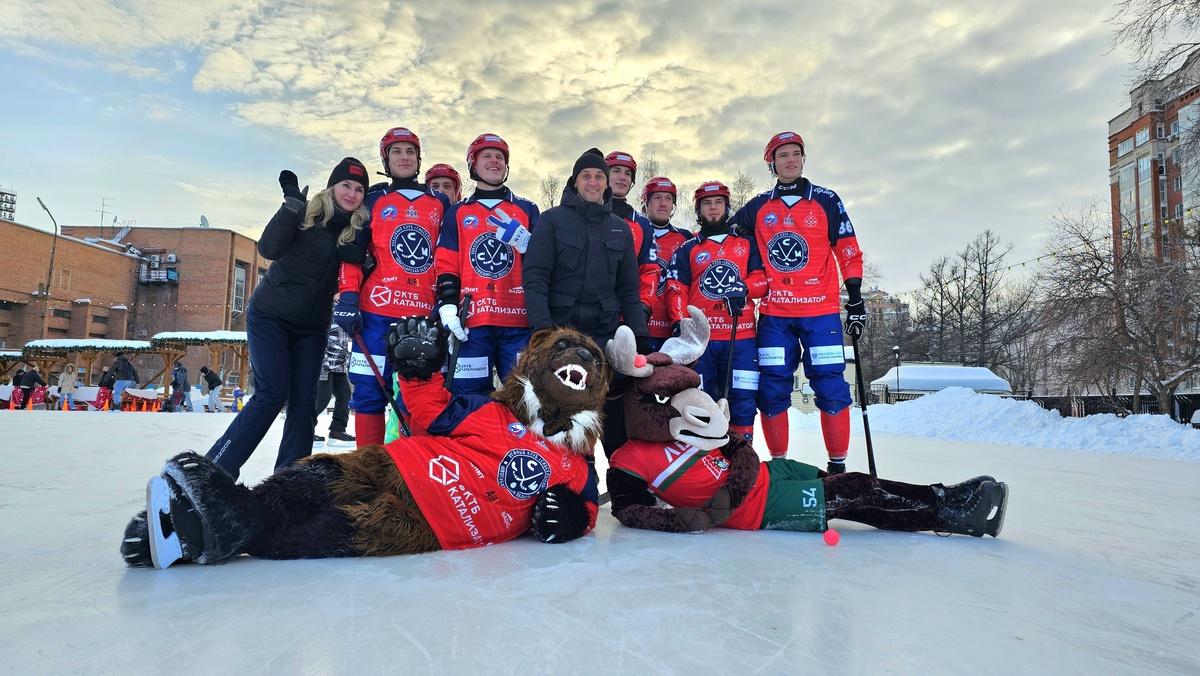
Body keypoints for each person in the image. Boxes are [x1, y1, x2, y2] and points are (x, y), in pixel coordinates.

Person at [205, 157, 371, 481]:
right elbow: (269, 248)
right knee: (272, 393)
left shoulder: (355, 233)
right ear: (332, 187)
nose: (351, 193)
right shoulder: (306, 215)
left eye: (359, 189)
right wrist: (290, 207)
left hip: (312, 327)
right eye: (346, 185)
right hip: (271, 317)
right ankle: (216, 469)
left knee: (305, 403)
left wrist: (363, 260)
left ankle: (290, 480)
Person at [730, 131, 866, 473]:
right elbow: (726, 237)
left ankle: (837, 467)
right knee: (772, 388)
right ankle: (780, 466)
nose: (790, 160)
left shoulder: (826, 200)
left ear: (803, 159)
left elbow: (848, 249)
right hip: (775, 316)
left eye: (795, 154)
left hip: (820, 314)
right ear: (772, 164)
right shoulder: (759, 206)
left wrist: (855, 299)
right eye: (783, 155)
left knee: (831, 385)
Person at [523, 147, 650, 458]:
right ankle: (577, 483)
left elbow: (629, 290)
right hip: (561, 340)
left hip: (605, 340)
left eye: (599, 177)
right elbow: (536, 278)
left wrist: (640, 337)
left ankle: (624, 481)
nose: (593, 182)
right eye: (586, 176)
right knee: (568, 429)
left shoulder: (620, 228)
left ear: (606, 184)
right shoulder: (551, 221)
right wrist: (542, 332)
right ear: (575, 181)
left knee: (615, 425)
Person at [334, 128, 451, 445]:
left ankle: (413, 467)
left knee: (420, 396)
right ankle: (368, 466)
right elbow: (352, 253)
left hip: (422, 317)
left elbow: (449, 256)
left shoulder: (438, 202)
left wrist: (447, 301)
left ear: (419, 159)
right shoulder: (373, 199)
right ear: (386, 159)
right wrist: (348, 298)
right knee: (368, 391)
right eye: (396, 151)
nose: (404, 157)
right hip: (376, 314)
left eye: (410, 152)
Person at [435, 133, 539, 394]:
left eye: (500, 157)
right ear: (473, 164)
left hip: (517, 323)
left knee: (526, 399)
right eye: (487, 156)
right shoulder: (457, 212)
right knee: (467, 397)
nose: (494, 161)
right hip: (472, 324)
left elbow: (545, 266)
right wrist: (448, 305)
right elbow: (447, 263)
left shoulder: (527, 209)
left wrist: (529, 244)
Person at [668, 180, 767, 442]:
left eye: (719, 203)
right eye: (707, 204)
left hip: (741, 338)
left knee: (743, 400)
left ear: (727, 207)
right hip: (702, 343)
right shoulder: (688, 248)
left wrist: (744, 289)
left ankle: (742, 455)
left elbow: (762, 280)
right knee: (701, 402)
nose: (713, 208)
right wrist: (680, 323)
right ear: (698, 210)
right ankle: (707, 458)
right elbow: (676, 290)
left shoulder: (747, 244)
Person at [638, 176, 693, 351]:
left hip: (672, 330)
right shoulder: (634, 232)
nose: (663, 204)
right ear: (645, 202)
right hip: (637, 327)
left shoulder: (686, 238)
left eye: (668, 198)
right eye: (657, 198)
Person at [604, 151, 659, 319]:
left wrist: (643, 307)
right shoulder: (586, 215)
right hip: (582, 315)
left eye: (628, 173)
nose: (623, 177)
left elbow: (649, 271)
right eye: (616, 171)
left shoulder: (643, 224)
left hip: (624, 316)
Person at [315, 321, 354, 443]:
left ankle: (337, 430)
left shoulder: (344, 314)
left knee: (344, 395)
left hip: (339, 364)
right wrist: (323, 363)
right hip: (324, 363)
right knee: (323, 397)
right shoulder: (326, 313)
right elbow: (319, 337)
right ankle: (304, 428)